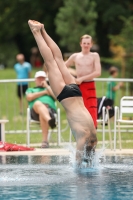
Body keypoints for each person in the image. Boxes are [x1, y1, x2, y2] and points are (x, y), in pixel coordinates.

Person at [28, 20, 97, 164]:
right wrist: (78, 167)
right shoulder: (84, 137)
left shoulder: (93, 138)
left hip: (76, 93)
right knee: (51, 61)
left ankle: (43, 30)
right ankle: (36, 31)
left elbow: (91, 149)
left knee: (58, 60)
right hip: (66, 96)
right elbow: (79, 157)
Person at [65, 35, 101, 128]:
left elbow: (98, 72)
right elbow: (64, 67)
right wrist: (72, 77)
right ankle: (80, 132)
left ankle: (93, 132)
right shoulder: (75, 56)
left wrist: (82, 78)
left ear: (91, 44)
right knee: (79, 108)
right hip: (78, 86)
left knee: (91, 107)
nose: (86, 45)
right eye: (84, 43)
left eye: (88, 43)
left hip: (89, 85)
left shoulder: (94, 55)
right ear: (81, 44)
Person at [26, 70, 57, 148]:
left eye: (42, 78)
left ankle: (45, 142)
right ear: (35, 80)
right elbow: (29, 97)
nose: (40, 80)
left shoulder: (50, 89)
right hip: (34, 112)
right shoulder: (31, 90)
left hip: (50, 111)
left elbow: (56, 97)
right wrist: (44, 92)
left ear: (45, 80)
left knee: (42, 113)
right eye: (39, 78)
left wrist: (47, 87)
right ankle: (49, 120)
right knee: (38, 103)